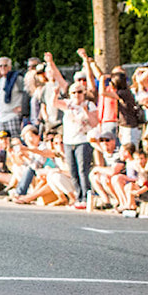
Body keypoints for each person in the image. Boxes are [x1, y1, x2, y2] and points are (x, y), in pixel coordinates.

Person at [54, 79, 98, 209]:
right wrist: (55, 93)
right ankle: (78, 197)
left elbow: (94, 123)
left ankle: (86, 197)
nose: (77, 95)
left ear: (84, 93)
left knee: (83, 169)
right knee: (73, 171)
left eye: (79, 92)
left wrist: (85, 111)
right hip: (69, 140)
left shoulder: (89, 105)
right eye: (74, 92)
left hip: (83, 140)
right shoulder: (68, 104)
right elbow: (55, 103)